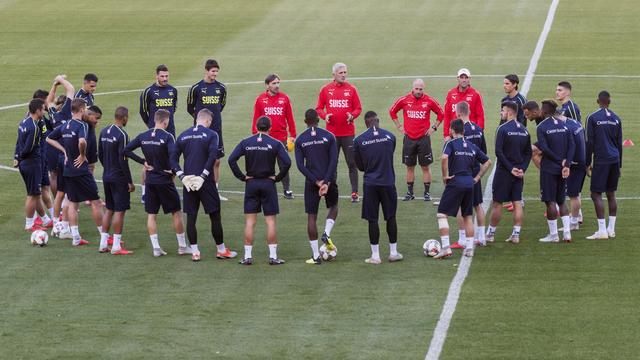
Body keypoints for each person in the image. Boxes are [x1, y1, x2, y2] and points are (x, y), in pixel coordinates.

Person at [171, 109, 237, 262]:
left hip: (188, 181)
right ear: (208, 121)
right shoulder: (212, 134)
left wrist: (181, 176)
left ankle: (195, 252)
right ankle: (221, 250)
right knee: (215, 216)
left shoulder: (183, 135)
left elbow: (173, 158)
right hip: (205, 182)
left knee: (191, 217)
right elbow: (213, 156)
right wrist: (203, 176)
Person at [228, 116, 291, 265]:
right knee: (270, 222)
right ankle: (273, 257)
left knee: (250, 222)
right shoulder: (275, 143)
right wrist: (277, 177)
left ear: (256, 127)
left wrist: (243, 177)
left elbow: (231, 160)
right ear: (270, 128)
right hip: (268, 184)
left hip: (251, 184)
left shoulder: (246, 142)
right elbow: (287, 162)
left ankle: (248, 256)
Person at [124, 109, 187, 257]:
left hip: (150, 180)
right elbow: (173, 156)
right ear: (166, 121)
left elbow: (126, 150)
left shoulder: (143, 135)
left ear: (154, 119)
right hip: (164, 180)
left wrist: (143, 162)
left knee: (151, 215)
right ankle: (183, 247)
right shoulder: (167, 136)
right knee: (176, 212)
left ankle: (156, 248)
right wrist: (173, 171)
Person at [46, 99, 103, 246]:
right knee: (96, 202)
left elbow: (49, 138)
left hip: (68, 170)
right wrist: (83, 155)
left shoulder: (65, 125)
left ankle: (76, 238)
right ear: (82, 109)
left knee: (72, 202)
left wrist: (64, 151)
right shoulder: (81, 125)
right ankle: (104, 236)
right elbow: (82, 142)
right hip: (81, 170)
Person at [433, 119, 491, 259]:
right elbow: (488, 162)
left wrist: (445, 176)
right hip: (469, 183)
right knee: (468, 216)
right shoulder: (471, 146)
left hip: (455, 181)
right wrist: (476, 178)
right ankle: (470, 249)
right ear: (463, 131)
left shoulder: (450, 143)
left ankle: (446, 248)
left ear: (452, 131)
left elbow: (444, 158)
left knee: (441, 214)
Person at [353, 111, 402, 264]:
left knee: (372, 219)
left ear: (366, 123)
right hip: (388, 182)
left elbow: (360, 166)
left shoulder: (359, 140)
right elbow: (390, 154)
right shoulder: (390, 137)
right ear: (378, 121)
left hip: (371, 184)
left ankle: (375, 256)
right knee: (391, 217)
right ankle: (393, 253)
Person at [294, 109, 339, 264]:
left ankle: (315, 256)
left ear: (305, 121)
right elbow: (334, 161)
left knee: (312, 216)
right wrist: (326, 181)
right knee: (333, 206)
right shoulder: (329, 136)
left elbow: (300, 165)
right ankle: (326, 232)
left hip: (311, 183)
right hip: (329, 180)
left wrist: (316, 181)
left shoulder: (300, 139)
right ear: (319, 119)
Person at [389, 78, 443, 201]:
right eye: (417, 89)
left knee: (425, 167)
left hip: (424, 139)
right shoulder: (404, 100)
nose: (419, 91)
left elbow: (441, 114)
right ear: (412, 88)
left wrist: (433, 128)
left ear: (424, 89)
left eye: (421, 89)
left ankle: (427, 193)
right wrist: (399, 126)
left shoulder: (429, 101)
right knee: (409, 167)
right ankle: (410, 193)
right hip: (409, 139)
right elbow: (392, 111)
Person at [315, 62, 362, 202]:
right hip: (332, 134)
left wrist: (352, 115)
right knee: (332, 163)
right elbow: (318, 108)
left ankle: (354, 192)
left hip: (348, 133)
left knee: (352, 163)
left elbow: (358, 108)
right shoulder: (326, 90)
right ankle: (332, 189)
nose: (344, 75)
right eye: (341, 73)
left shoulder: (351, 89)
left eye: (345, 72)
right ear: (334, 74)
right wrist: (325, 116)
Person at [486, 102, 532, 244]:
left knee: (498, 203)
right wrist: (522, 169)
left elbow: (498, 151)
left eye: (503, 111)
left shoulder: (502, 129)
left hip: (504, 172)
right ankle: (516, 234)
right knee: (517, 202)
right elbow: (528, 153)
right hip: (519, 173)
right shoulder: (525, 130)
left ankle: (490, 234)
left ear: (509, 112)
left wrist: (511, 168)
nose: (501, 113)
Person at [186, 59, 227, 199]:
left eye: (217, 71)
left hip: (216, 129)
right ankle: (196, 187)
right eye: (213, 71)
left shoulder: (221, 88)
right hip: (200, 130)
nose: (215, 74)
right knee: (199, 157)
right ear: (206, 70)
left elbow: (221, 105)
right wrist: (201, 121)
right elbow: (190, 107)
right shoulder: (196, 88)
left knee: (216, 160)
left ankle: (215, 190)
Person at [98, 106, 136, 255]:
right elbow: (123, 160)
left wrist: (107, 166)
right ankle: (116, 246)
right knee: (120, 211)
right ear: (125, 118)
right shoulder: (123, 135)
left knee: (109, 209)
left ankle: (103, 244)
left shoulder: (103, 131)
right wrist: (130, 181)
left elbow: (100, 153)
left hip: (107, 175)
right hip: (119, 177)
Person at [450, 101, 489, 248]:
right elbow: (483, 153)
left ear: (458, 113)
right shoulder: (478, 129)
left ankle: (462, 239)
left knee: (461, 206)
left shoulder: (460, 131)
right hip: (476, 172)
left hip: (463, 172)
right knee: (478, 205)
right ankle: (481, 237)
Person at [536, 100, 575, 243]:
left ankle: (553, 235)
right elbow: (572, 145)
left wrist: (559, 161)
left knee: (550, 201)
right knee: (561, 200)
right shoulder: (565, 126)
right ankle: (567, 233)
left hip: (549, 168)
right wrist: (567, 164)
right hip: (563, 168)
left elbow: (544, 148)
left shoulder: (542, 127)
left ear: (545, 111)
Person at [585, 91, 622, 240]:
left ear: (597, 101)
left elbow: (589, 142)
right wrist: (619, 166)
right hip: (615, 160)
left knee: (595, 194)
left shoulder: (592, 118)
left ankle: (602, 231)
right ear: (610, 101)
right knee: (611, 193)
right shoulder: (616, 119)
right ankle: (611, 229)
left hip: (601, 160)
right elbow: (619, 144)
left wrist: (587, 163)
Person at [252, 74, 297, 199]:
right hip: (265, 138)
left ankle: (287, 189)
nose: (277, 86)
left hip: (281, 138)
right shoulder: (260, 99)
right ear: (267, 85)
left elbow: (290, 118)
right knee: (265, 165)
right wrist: (255, 135)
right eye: (274, 83)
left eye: (278, 83)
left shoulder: (284, 98)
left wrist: (292, 135)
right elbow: (256, 118)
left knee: (284, 164)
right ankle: (264, 189)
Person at [139, 64, 178, 203]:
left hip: (170, 132)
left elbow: (174, 108)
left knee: (171, 161)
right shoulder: (148, 91)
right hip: (153, 133)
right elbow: (143, 111)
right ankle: (144, 192)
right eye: (162, 76)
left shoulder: (173, 90)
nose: (165, 78)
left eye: (167, 76)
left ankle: (170, 190)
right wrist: (151, 126)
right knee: (149, 162)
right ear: (156, 76)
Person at [44, 76, 75, 238]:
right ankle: (66, 227)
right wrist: (60, 79)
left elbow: (49, 101)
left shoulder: (54, 114)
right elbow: (71, 89)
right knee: (70, 194)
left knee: (61, 193)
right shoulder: (66, 113)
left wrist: (54, 85)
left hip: (59, 156)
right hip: (69, 157)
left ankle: (56, 223)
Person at [15, 99, 47, 231]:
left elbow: (18, 142)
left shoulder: (23, 122)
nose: (44, 111)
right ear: (38, 110)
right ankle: (29, 225)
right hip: (32, 163)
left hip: (25, 163)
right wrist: (22, 157)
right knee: (32, 194)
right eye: (43, 109)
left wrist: (17, 157)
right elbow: (28, 147)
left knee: (33, 193)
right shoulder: (34, 127)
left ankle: (35, 222)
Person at [441, 68, 485, 138]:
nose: (464, 80)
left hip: (470, 133)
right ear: (458, 78)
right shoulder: (450, 93)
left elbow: (480, 116)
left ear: (469, 79)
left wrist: (479, 131)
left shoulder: (476, 94)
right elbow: (447, 115)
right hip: (454, 133)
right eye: (461, 77)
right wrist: (446, 134)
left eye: (466, 78)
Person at [564, 112, 587, 230]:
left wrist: (568, 162)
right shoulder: (576, 123)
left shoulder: (567, 127)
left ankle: (573, 223)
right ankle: (577, 218)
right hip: (582, 161)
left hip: (575, 164)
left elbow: (571, 146)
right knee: (576, 194)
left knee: (573, 195)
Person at [523, 100, 544, 169]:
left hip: (556, 141)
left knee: (532, 150)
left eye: (527, 114)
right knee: (531, 150)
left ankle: (547, 174)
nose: (526, 117)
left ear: (534, 112)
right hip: (548, 140)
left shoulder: (546, 117)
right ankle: (546, 173)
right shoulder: (538, 117)